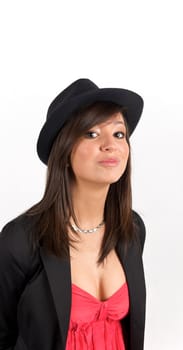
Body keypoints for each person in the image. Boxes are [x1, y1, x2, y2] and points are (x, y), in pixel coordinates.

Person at [0, 78, 146, 350]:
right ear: (64, 150)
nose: (110, 144)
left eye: (118, 134)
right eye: (91, 133)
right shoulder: (20, 240)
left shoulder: (132, 230)